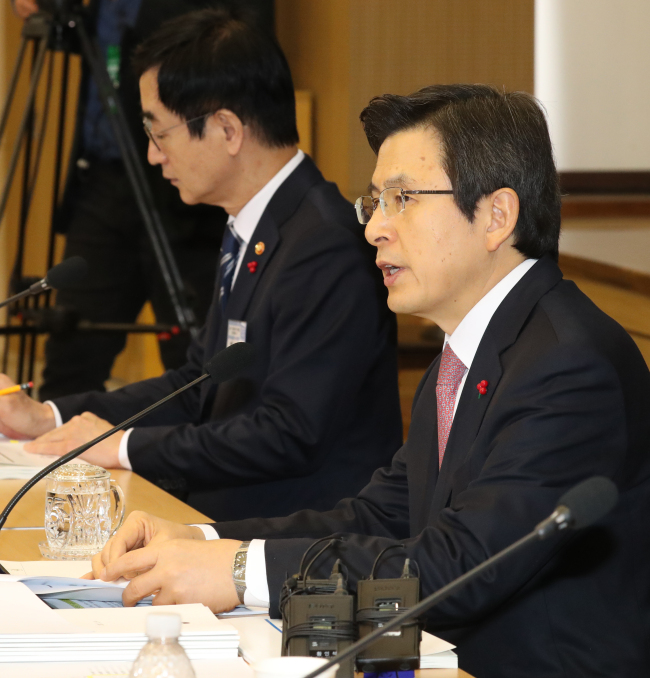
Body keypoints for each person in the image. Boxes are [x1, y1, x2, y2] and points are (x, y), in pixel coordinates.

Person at [84, 84, 650, 678]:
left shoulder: (569, 367)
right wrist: (200, 540)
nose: (375, 228)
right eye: (375, 201)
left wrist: (238, 572)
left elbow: (460, 566)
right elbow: (380, 515)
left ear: (495, 215)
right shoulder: (471, 350)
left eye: (402, 198)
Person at [0, 9, 402, 520]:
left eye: (159, 134)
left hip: (295, 546)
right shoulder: (255, 225)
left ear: (227, 129)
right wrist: (46, 416)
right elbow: (198, 384)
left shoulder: (324, 245)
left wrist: (122, 447)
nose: (151, 156)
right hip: (228, 521)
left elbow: (289, 433)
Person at [10, 0, 271, 400]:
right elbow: (102, 43)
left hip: (185, 188)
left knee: (200, 372)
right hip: (101, 178)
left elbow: (239, 43)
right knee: (69, 366)